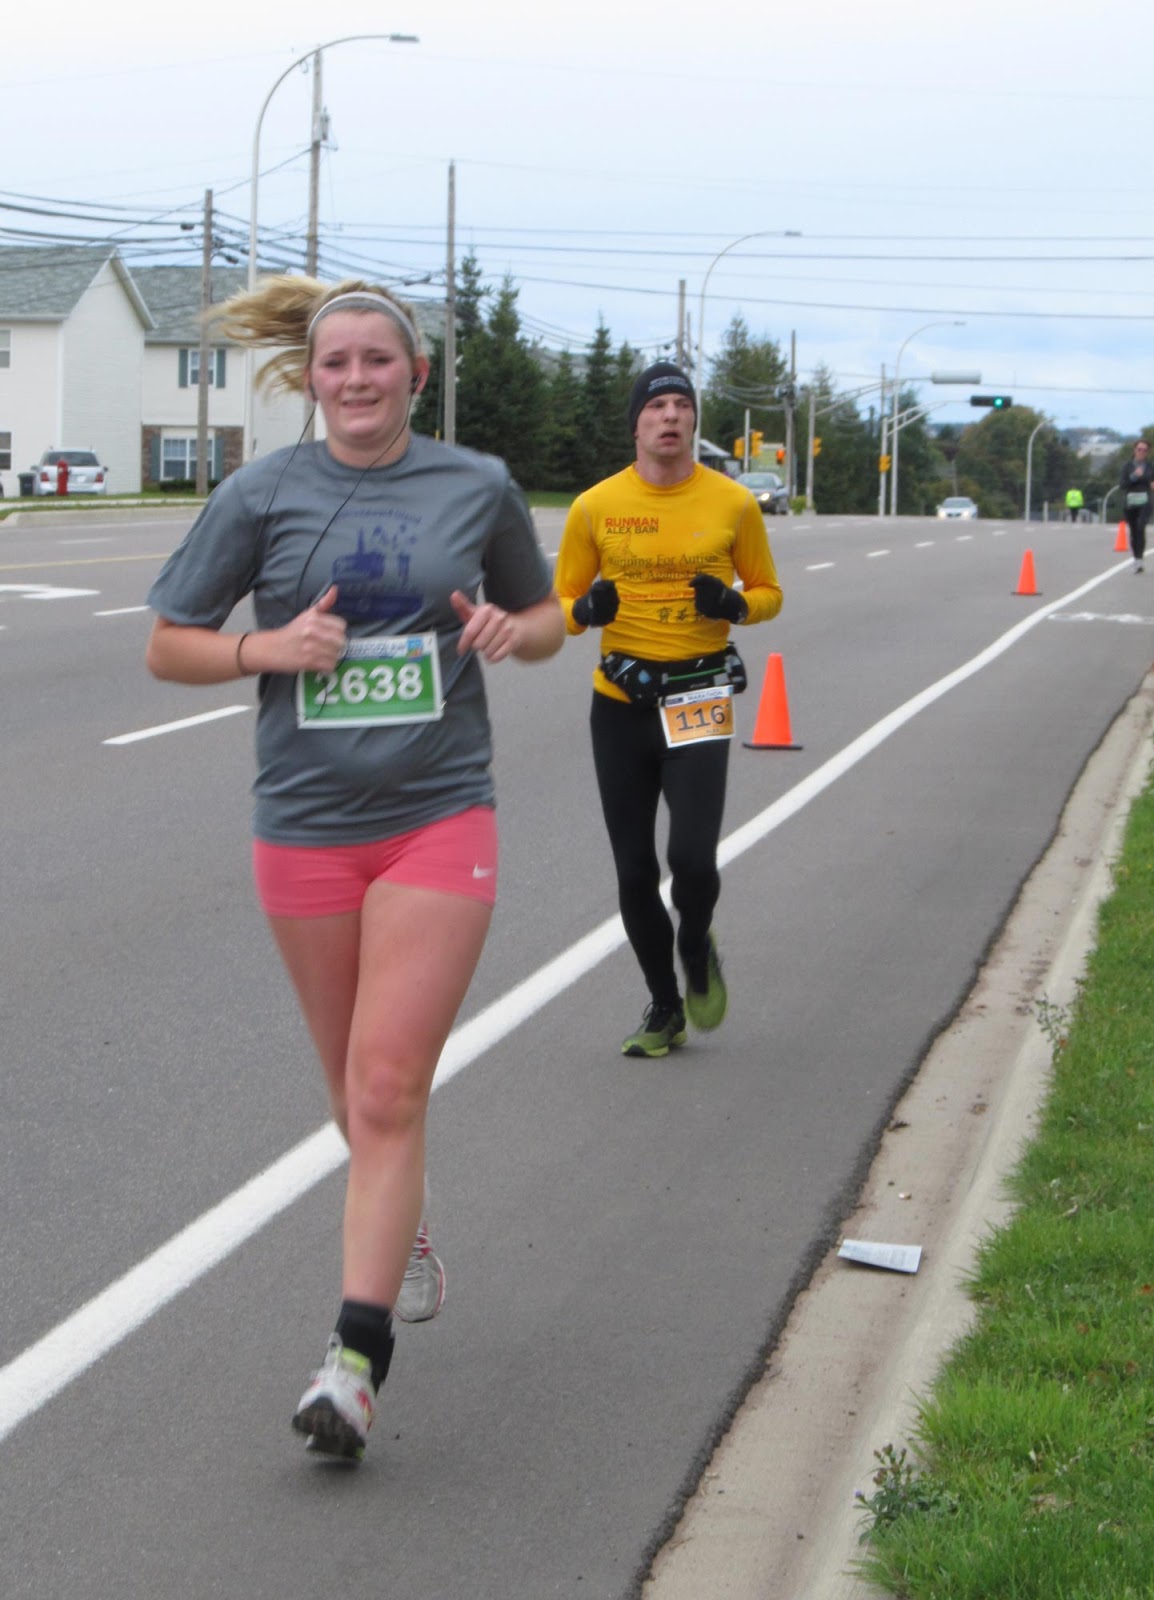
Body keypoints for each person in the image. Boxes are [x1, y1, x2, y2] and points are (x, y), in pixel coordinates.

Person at [145, 276, 564, 1461]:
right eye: (336, 364)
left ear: (414, 376)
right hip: (305, 823)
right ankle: (404, 1226)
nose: (357, 380)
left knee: (386, 1087)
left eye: (379, 361)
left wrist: (503, 630)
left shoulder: (473, 485)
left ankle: (352, 1360)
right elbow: (166, 645)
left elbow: (541, 623)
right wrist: (261, 648)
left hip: (438, 814)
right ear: (309, 376)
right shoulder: (260, 492)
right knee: (351, 1092)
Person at [554, 362, 783, 1058]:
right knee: (633, 869)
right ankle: (662, 1005)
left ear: (692, 421)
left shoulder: (733, 503)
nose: (671, 417)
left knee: (691, 859)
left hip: (698, 697)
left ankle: (695, 940)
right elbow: (557, 608)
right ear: (637, 423)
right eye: (657, 407)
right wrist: (585, 609)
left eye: (682, 405)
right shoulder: (593, 507)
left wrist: (737, 604)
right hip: (620, 703)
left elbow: (770, 590)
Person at [1120, 439, 1153, 574]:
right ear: (1134, 450)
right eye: (1139, 449)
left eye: (1144, 450)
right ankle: (1136, 559)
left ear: (1148, 452)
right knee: (1134, 532)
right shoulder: (1127, 466)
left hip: (1145, 502)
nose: (1141, 452)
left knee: (1141, 527)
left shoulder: (1150, 467)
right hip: (1131, 502)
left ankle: (1140, 561)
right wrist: (1134, 476)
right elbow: (1123, 484)